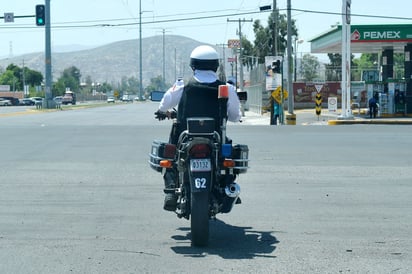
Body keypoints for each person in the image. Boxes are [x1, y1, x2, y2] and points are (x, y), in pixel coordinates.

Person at [155, 45, 242, 211]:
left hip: (185, 137)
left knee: (169, 152)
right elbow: (235, 116)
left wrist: (162, 112)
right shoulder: (226, 88)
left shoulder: (183, 85)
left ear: (193, 65)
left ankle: (171, 190)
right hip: (215, 137)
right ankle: (227, 186)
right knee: (228, 156)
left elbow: (164, 104)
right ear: (216, 66)